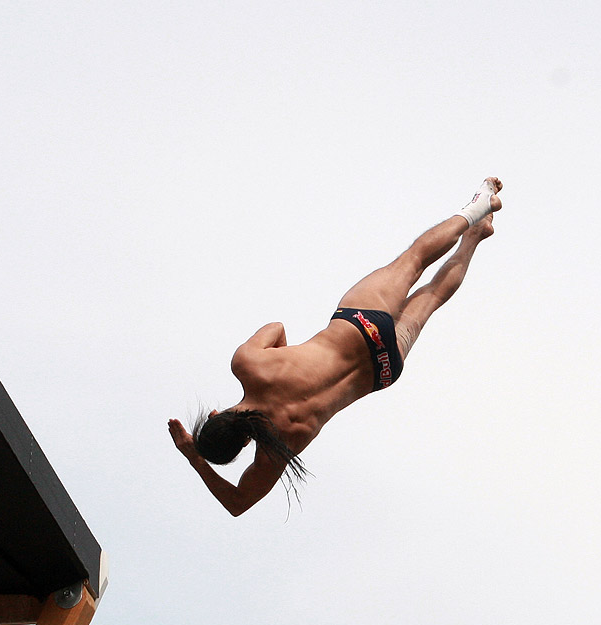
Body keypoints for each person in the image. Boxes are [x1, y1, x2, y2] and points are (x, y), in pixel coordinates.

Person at [168, 177, 503, 516]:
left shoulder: (279, 447)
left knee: (432, 297)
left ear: (243, 443)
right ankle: (476, 208)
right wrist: (288, 356)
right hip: (359, 326)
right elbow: (276, 328)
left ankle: (474, 238)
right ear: (217, 413)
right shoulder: (249, 366)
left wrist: (194, 458)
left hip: (383, 369)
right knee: (413, 259)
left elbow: (238, 503)